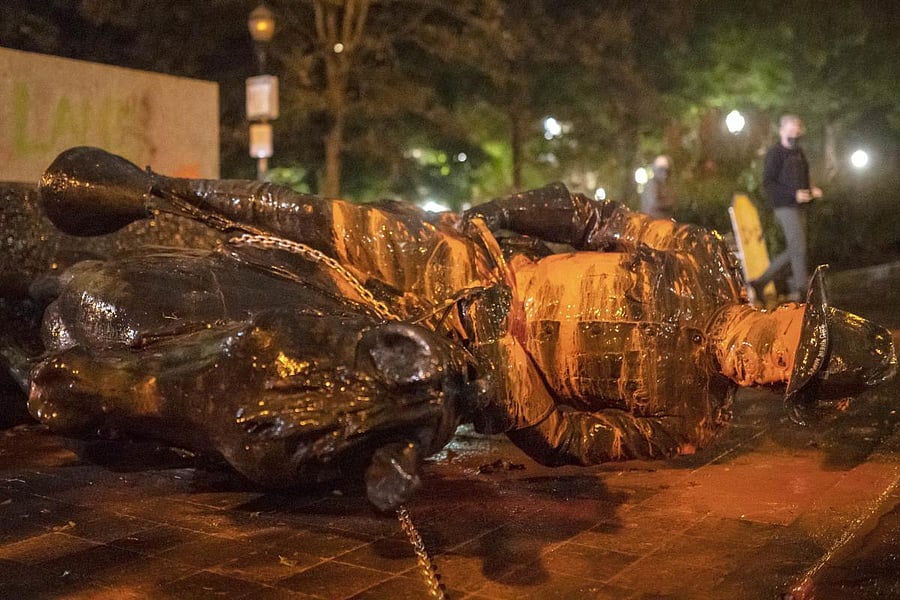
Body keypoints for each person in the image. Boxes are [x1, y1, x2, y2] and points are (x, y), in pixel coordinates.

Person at [752, 115, 823, 301]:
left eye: (797, 131)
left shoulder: (799, 153)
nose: (795, 134)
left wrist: (810, 191)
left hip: (800, 205)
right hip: (784, 206)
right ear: (782, 131)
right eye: (791, 131)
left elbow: (804, 177)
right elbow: (768, 183)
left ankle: (760, 281)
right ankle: (802, 292)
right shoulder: (775, 153)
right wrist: (793, 194)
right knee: (798, 248)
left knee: (796, 248)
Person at [640, 155, 676, 220]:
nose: (665, 173)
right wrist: (668, 203)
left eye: (667, 170)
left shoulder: (667, 185)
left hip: (664, 222)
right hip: (652, 222)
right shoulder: (651, 184)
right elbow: (655, 203)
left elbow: (673, 202)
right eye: (661, 169)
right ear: (655, 170)